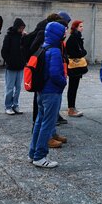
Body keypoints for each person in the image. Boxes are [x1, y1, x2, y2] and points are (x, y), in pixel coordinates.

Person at [29, 21, 67, 168]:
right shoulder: (56, 51)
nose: (65, 34)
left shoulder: (43, 47)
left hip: (41, 91)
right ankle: (40, 156)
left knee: (39, 122)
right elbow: (56, 74)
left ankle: (32, 153)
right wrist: (64, 82)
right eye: (63, 32)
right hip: (52, 92)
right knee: (47, 124)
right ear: (58, 34)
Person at [1, 18, 26, 115]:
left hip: (20, 66)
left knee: (18, 87)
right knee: (10, 87)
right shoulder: (9, 36)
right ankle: (8, 106)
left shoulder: (22, 37)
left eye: (23, 28)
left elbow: (25, 49)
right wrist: (9, 61)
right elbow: (4, 51)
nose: (21, 30)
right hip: (11, 66)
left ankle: (15, 105)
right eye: (20, 28)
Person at [66, 20, 88, 117]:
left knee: (74, 87)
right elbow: (74, 52)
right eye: (80, 26)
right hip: (74, 66)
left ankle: (72, 107)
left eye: (82, 26)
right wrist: (82, 53)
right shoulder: (74, 38)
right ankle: (71, 108)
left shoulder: (77, 37)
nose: (82, 28)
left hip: (76, 66)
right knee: (72, 87)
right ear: (75, 27)